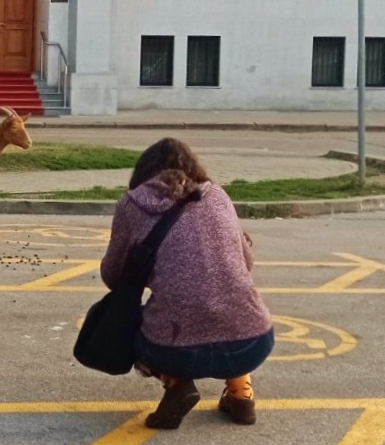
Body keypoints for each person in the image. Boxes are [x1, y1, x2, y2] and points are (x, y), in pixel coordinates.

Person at [100, 138, 273, 428]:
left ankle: (177, 383)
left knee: (125, 321)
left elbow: (112, 276)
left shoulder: (132, 204)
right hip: (253, 342)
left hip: (174, 349)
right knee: (232, 314)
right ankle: (241, 394)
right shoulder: (218, 195)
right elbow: (247, 263)